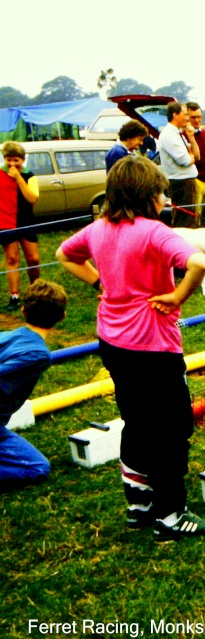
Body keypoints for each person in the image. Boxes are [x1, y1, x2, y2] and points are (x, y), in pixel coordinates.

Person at [56, 156, 205, 540]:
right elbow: (198, 260)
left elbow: (64, 254)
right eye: (161, 191)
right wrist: (177, 295)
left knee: (137, 420)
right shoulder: (153, 232)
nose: (164, 198)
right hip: (154, 347)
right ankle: (171, 513)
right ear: (149, 195)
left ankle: (138, 504)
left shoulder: (97, 229)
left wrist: (98, 283)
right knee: (172, 428)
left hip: (113, 341)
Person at [0, 280, 66, 490]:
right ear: (62, 317)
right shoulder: (38, 355)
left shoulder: (8, 336)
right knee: (37, 468)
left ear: (23, 311)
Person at [1, 142, 41, 311]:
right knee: (12, 258)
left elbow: (32, 198)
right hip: (5, 222)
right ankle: (14, 296)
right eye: (8, 159)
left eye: (16, 160)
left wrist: (18, 179)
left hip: (25, 221)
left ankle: (35, 291)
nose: (12, 164)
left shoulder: (29, 176)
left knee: (33, 259)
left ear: (22, 160)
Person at [159, 102, 201, 227]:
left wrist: (191, 137)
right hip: (180, 183)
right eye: (185, 114)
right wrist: (191, 156)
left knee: (190, 218)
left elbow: (197, 155)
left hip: (185, 182)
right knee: (184, 220)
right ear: (175, 115)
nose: (188, 118)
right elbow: (185, 160)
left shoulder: (177, 133)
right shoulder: (168, 135)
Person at [186, 103, 205, 220]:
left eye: (199, 116)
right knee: (196, 215)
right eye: (193, 117)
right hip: (196, 180)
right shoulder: (183, 135)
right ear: (187, 117)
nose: (197, 120)